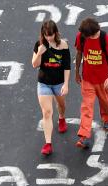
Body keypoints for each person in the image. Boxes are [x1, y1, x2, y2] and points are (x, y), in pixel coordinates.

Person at [73, 17, 108, 150]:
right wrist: (77, 72)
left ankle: (107, 119)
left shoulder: (105, 38)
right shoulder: (82, 36)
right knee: (86, 107)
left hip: (103, 80)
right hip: (88, 79)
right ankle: (84, 136)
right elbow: (79, 54)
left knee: (106, 102)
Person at [31, 19, 71, 156]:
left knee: (61, 104)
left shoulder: (63, 45)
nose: (48, 37)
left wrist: (66, 84)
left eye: (51, 35)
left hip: (59, 83)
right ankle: (48, 144)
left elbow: (66, 66)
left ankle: (62, 117)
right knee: (47, 112)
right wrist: (39, 53)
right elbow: (34, 65)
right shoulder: (39, 45)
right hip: (44, 83)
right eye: (46, 35)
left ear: (55, 33)